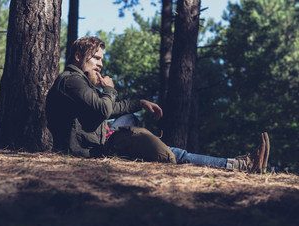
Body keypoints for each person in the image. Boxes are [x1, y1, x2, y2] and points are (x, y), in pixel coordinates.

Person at [46, 36, 270, 173]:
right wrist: (109, 89)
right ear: (77, 56)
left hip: (101, 139)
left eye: (101, 59)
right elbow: (105, 108)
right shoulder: (72, 81)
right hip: (91, 151)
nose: (100, 65)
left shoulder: (77, 82)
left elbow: (109, 110)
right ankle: (239, 165)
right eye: (96, 58)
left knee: (132, 120)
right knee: (177, 155)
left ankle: (241, 164)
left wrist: (140, 103)